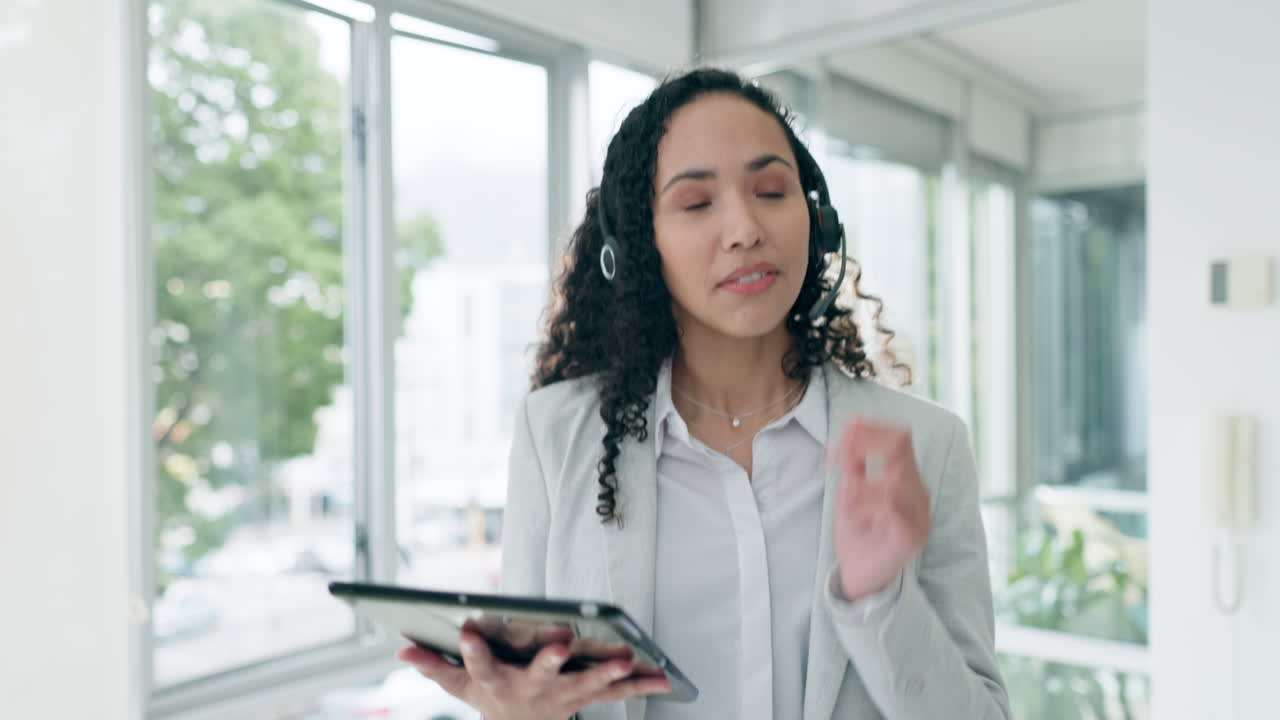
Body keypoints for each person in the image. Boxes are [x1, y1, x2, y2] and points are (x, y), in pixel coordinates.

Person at [396, 67, 1010, 720]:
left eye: (772, 190)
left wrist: (880, 598)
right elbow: (530, 685)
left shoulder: (927, 446)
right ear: (636, 249)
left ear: (817, 221)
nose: (745, 228)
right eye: (696, 203)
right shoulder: (556, 435)